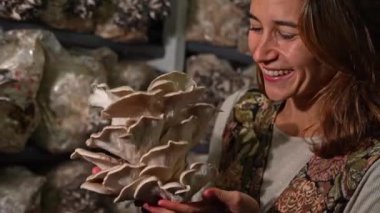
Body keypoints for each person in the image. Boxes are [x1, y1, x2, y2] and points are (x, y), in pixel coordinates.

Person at [142, 0, 380, 212]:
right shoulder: (241, 112)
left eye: (286, 34)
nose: (259, 53)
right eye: (255, 27)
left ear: (343, 38)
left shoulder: (371, 168)